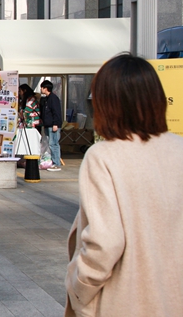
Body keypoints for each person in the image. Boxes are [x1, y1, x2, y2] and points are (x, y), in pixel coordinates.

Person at [64, 54, 183, 316]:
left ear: (107, 103)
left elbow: (104, 242)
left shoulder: (104, 156)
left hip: (126, 299)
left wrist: (78, 287)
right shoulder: (179, 149)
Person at [41, 80, 63, 171]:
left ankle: (56, 163)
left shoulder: (53, 98)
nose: (41, 89)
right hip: (48, 125)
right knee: (50, 144)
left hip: (53, 125)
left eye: (42, 88)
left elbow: (56, 112)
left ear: (46, 88)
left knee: (53, 144)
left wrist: (55, 124)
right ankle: (52, 162)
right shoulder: (46, 99)